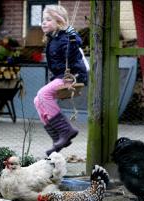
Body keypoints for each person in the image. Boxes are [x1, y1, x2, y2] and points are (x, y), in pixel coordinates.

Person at [34, 5, 88, 156]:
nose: (44, 23)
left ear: (59, 22)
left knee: (43, 94)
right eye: (43, 20)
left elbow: (76, 43)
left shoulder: (65, 37)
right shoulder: (53, 39)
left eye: (48, 20)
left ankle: (66, 131)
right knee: (37, 100)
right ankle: (58, 138)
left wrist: (71, 33)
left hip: (72, 76)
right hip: (61, 77)